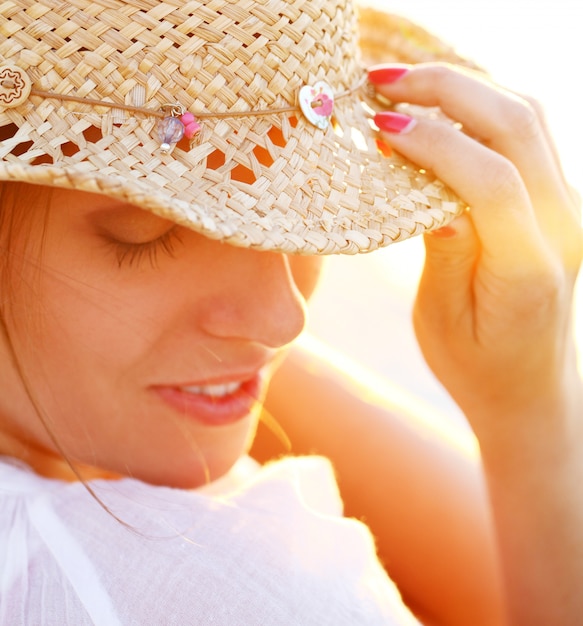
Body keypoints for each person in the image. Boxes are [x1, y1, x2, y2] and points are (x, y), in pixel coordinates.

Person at [0, 0, 581, 625]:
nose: (286, 320)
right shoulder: (225, 590)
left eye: (298, 212)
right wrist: (528, 407)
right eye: (153, 230)